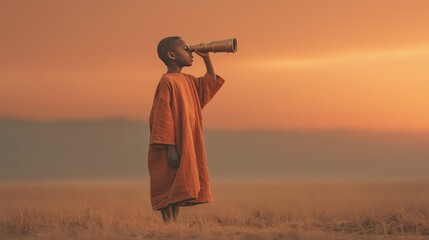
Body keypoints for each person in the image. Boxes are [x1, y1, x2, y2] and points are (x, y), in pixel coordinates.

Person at [147, 36, 225, 223]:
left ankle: (174, 226)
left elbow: (209, 84)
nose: (190, 52)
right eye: (185, 49)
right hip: (171, 143)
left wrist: (206, 58)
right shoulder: (167, 81)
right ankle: (168, 224)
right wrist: (170, 147)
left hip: (187, 140)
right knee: (168, 181)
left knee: (178, 181)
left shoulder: (188, 80)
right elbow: (163, 115)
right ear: (172, 55)